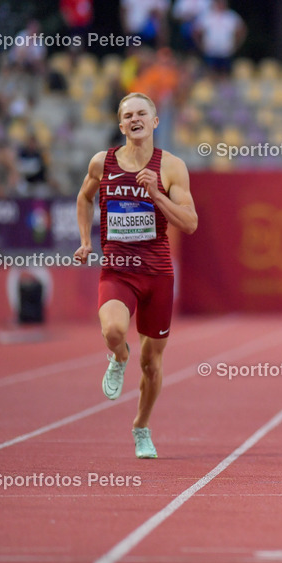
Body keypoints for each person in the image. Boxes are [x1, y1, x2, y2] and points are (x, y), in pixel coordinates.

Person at [74, 92, 198, 458]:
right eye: (127, 115)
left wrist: (157, 194)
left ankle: (141, 426)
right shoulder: (103, 163)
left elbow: (190, 223)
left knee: (153, 363)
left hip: (157, 273)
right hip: (118, 268)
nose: (134, 119)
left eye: (141, 113)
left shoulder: (172, 167)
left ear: (155, 122)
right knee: (112, 330)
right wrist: (85, 240)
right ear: (121, 125)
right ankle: (118, 356)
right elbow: (84, 198)